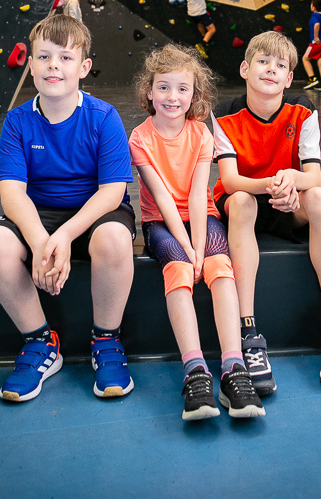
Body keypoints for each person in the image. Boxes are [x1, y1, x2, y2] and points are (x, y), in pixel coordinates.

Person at [0, 15, 136, 402]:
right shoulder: (17, 122)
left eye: (65, 58)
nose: (53, 66)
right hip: (40, 213)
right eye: (44, 56)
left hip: (94, 211)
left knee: (115, 238)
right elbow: (12, 191)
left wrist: (64, 236)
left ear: (83, 68)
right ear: (30, 64)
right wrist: (40, 241)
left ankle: (107, 340)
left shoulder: (103, 117)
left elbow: (112, 191)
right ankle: (40, 343)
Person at [212, 31, 321, 396]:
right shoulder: (225, 115)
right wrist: (276, 186)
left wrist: (292, 180)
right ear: (245, 68)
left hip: (289, 199)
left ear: (289, 78)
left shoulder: (302, 109)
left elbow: (315, 176)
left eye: (280, 66)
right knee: (243, 202)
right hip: (247, 198)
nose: (271, 70)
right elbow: (230, 182)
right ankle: (247, 330)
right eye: (263, 62)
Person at [129, 44, 264, 420]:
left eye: (182, 89)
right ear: (150, 91)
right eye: (164, 88)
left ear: (194, 94)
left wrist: (202, 247)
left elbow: (196, 192)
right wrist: (188, 249)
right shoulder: (140, 139)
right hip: (163, 221)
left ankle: (233, 367)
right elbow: (163, 198)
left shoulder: (201, 134)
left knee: (221, 269)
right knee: (179, 268)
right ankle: (195, 370)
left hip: (201, 215)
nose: (173, 97)